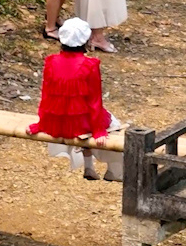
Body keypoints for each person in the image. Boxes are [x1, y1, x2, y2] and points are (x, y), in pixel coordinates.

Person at [28, 17, 123, 180]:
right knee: (114, 125)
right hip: (80, 124)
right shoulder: (90, 65)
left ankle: (89, 167)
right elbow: (94, 102)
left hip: (55, 122)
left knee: (84, 124)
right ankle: (113, 172)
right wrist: (98, 130)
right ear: (85, 40)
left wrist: (41, 123)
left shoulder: (51, 62)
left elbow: (45, 95)